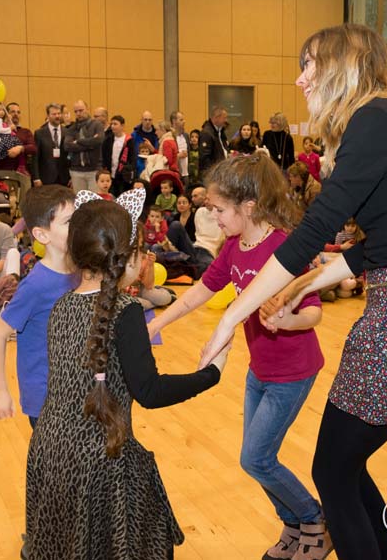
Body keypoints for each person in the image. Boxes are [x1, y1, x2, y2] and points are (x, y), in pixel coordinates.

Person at [198, 23, 387, 560]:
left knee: (334, 470)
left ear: (346, 66)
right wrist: (303, 285)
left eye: (309, 65)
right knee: (345, 468)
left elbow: (314, 228)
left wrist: (230, 318)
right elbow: (386, 245)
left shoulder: (375, 120)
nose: (301, 79)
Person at [23, 195, 227, 560]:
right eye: (142, 250)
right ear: (128, 257)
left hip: (48, 451)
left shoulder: (61, 306)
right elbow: (149, 391)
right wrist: (210, 374)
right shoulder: (126, 310)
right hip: (101, 460)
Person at [148, 154, 331, 559]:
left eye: (218, 210)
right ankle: (293, 525)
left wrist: (288, 321)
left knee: (256, 459)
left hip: (293, 372)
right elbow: (198, 293)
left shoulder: (284, 246)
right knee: (257, 459)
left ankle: (315, 520)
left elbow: (314, 311)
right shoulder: (233, 246)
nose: (213, 218)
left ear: (248, 206)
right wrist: (155, 325)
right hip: (259, 371)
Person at [0, 185, 75, 429]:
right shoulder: (36, 285)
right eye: (69, 221)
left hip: (78, 391)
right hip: (46, 399)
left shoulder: (81, 272)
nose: (79, 226)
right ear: (42, 235)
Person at [64, 100, 104, 192]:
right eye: (76, 111)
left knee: (95, 199)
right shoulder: (72, 128)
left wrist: (78, 141)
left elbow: (98, 141)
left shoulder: (97, 125)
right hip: (76, 171)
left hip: (94, 170)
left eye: (81, 110)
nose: (78, 113)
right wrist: (90, 145)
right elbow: (67, 146)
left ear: (87, 109)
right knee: (80, 199)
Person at [34, 103, 70, 188]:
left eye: (59, 113)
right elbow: (35, 157)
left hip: (64, 178)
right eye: (54, 114)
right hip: (46, 177)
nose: (57, 116)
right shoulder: (39, 133)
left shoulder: (68, 132)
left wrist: (72, 176)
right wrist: (36, 177)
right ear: (48, 116)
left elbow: (71, 156)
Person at [102, 114, 133, 195]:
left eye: (115, 124)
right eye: (111, 124)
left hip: (123, 176)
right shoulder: (108, 140)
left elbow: (132, 159)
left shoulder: (129, 141)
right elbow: (104, 156)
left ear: (122, 126)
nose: (112, 126)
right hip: (110, 175)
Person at [198, 106, 229, 175]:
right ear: (216, 118)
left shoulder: (220, 132)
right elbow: (205, 158)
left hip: (219, 172)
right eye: (224, 118)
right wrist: (213, 173)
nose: (226, 120)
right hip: (211, 174)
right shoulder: (206, 133)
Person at [169, 111, 191, 184]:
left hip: (185, 174)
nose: (184, 122)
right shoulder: (169, 137)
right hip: (174, 173)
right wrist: (178, 156)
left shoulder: (186, 136)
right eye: (181, 120)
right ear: (174, 121)